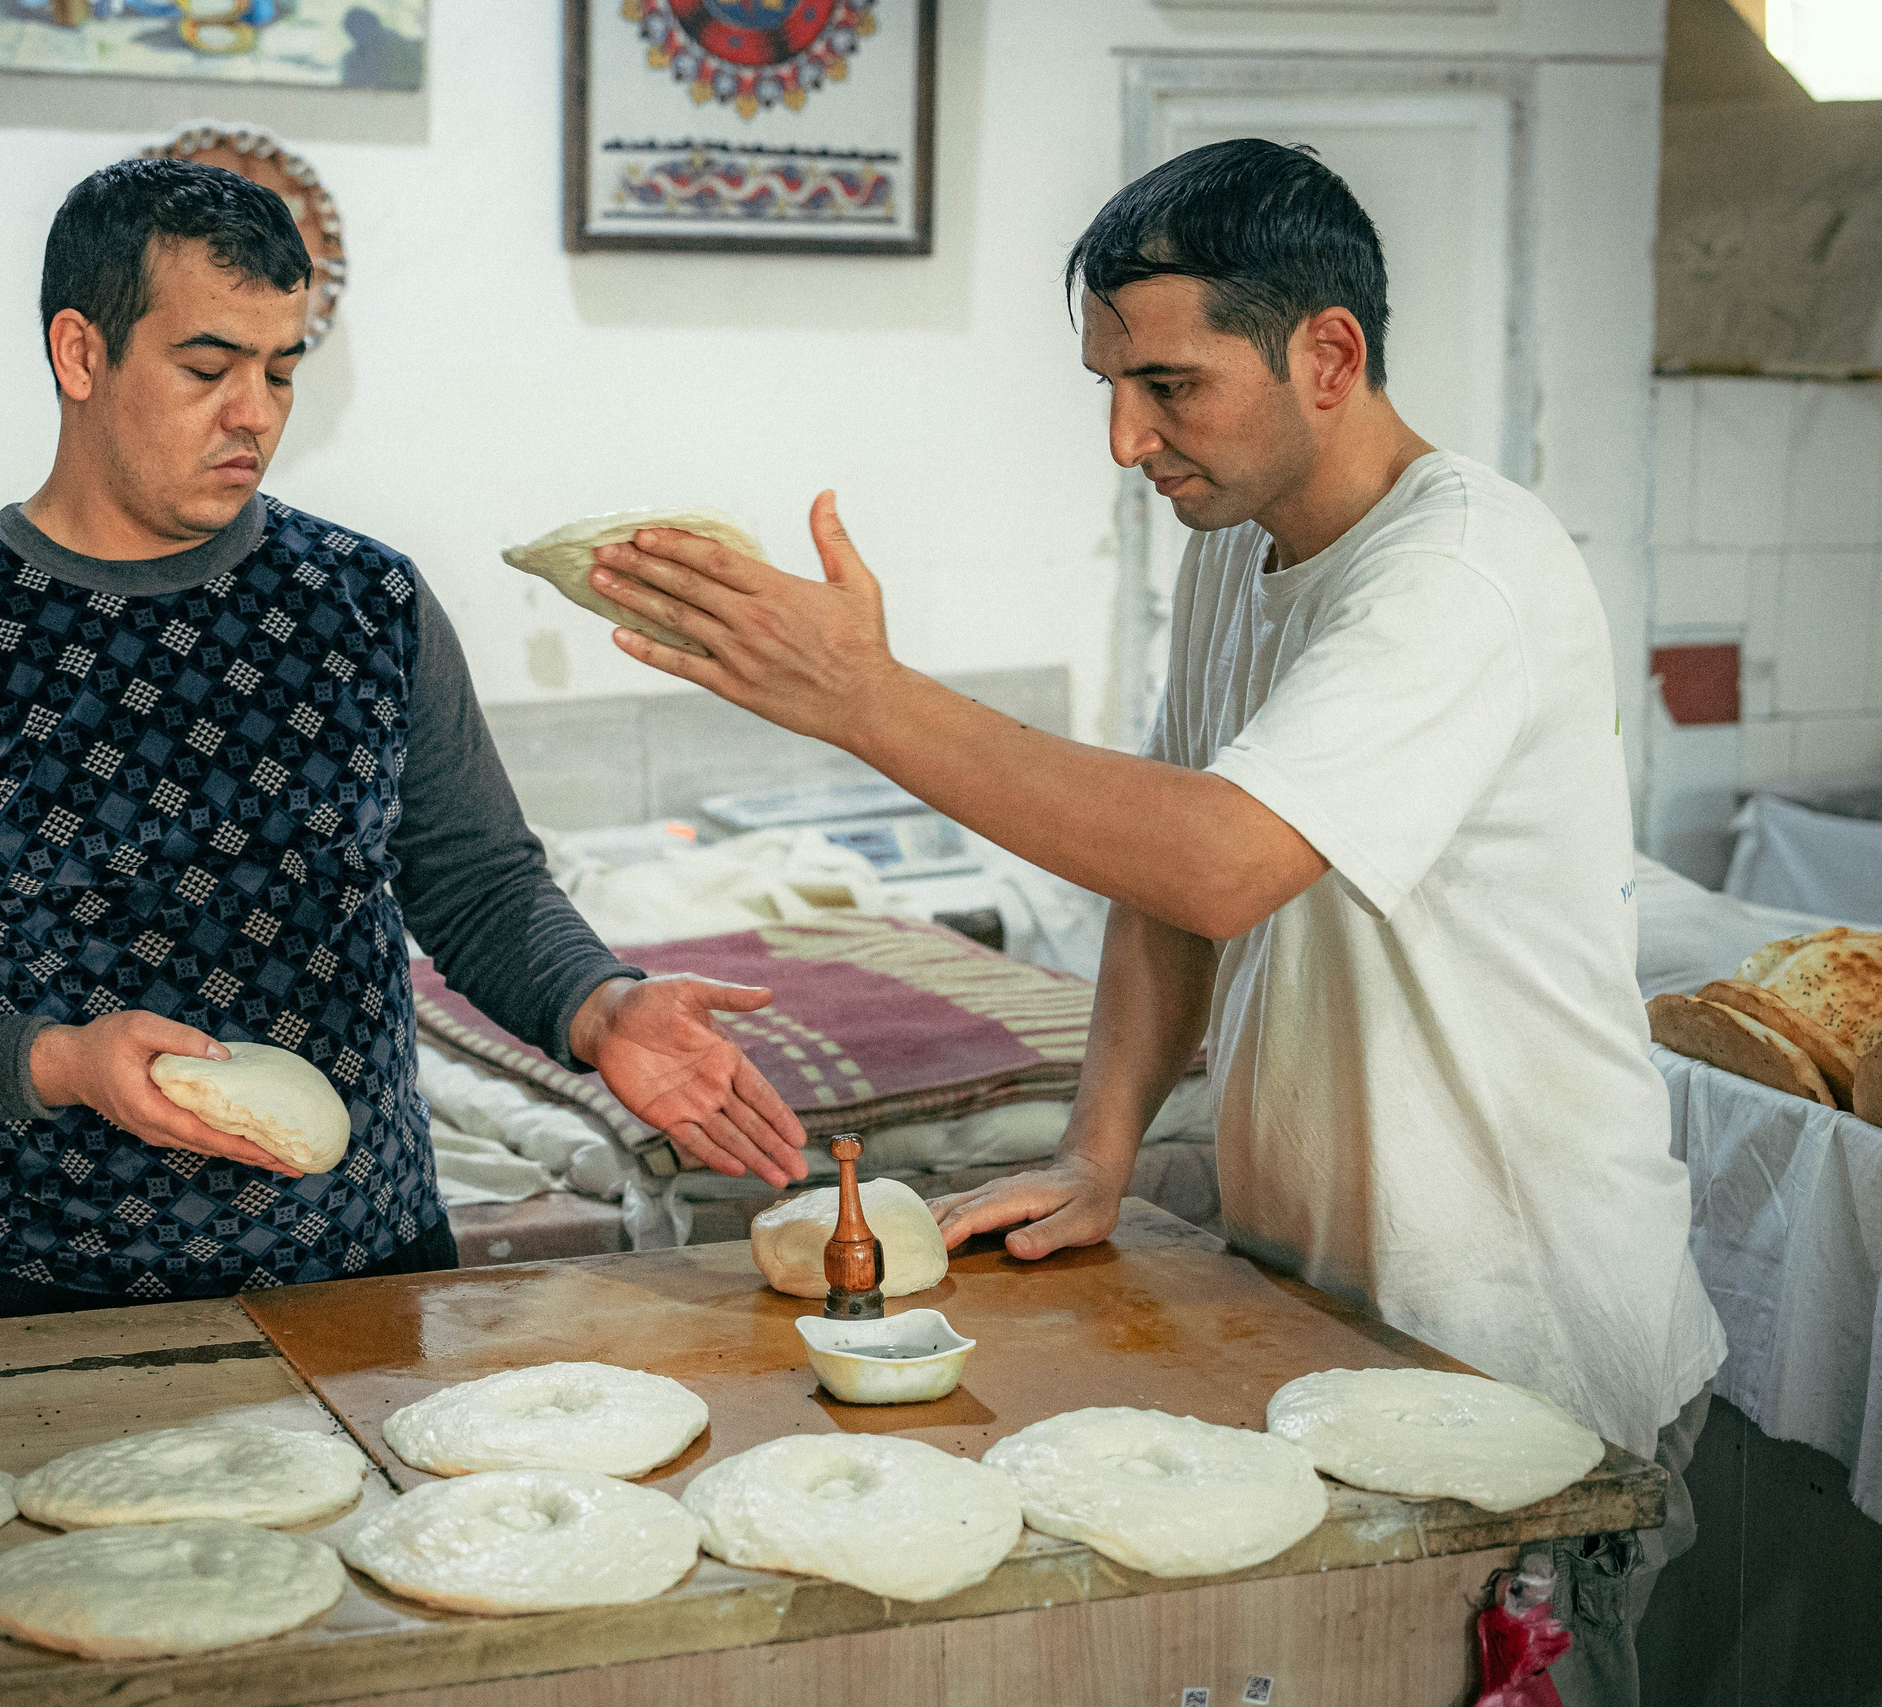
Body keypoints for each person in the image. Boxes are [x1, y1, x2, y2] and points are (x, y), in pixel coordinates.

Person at [578, 139, 1721, 1705]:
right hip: (1327, 1300)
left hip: (1516, 1327)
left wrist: (866, 698)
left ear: (1329, 353)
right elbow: (1158, 885)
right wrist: (1098, 1146)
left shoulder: (1462, 570)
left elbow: (1219, 861)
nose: (1128, 439)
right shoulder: (1240, 559)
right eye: (1111, 384)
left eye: (1171, 384)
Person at [0, 158, 808, 1321]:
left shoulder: (363, 602)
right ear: (80, 353)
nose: (253, 412)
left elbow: (478, 882)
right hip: (63, 1300)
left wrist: (597, 1003)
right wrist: (61, 1063)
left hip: (378, 1269)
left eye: (281, 370)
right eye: (207, 367)